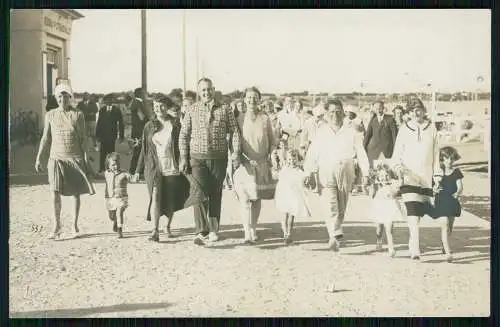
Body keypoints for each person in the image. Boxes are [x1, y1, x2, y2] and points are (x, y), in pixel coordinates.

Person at [135, 94, 206, 242]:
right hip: (154, 167)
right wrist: (137, 170)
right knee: (155, 195)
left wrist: (185, 161)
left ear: (167, 107)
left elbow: (184, 144)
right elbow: (144, 149)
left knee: (170, 197)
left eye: (161, 106)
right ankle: (155, 231)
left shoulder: (176, 125)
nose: (158, 109)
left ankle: (167, 225)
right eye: (155, 106)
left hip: (172, 165)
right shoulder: (149, 126)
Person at [179, 77, 241, 244]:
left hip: (218, 158)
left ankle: (214, 229)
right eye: (203, 90)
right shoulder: (192, 109)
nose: (206, 92)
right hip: (197, 158)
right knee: (199, 193)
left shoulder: (225, 109)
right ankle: (201, 230)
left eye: (209, 89)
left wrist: (235, 153)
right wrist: (184, 157)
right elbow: (184, 135)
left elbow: (234, 131)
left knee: (215, 193)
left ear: (213, 90)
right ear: (199, 92)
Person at [303, 99, 370, 251]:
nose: (335, 115)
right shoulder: (321, 132)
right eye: (332, 112)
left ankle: (334, 234)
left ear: (343, 113)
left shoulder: (351, 131)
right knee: (329, 202)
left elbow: (360, 152)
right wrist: (307, 172)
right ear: (326, 114)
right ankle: (335, 231)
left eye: (338, 112)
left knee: (341, 205)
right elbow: (312, 153)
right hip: (325, 169)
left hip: (346, 169)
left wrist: (366, 172)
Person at [35, 84, 95, 240]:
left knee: (75, 193)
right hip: (56, 158)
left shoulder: (78, 115)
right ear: (56, 98)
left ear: (70, 98)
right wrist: (39, 157)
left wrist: (87, 158)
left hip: (74, 157)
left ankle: (74, 225)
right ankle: (56, 226)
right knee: (54, 192)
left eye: (66, 96)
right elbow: (45, 138)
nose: (62, 99)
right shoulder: (50, 115)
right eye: (59, 97)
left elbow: (83, 139)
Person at [391, 98, 440, 260]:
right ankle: (416, 248)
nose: (415, 113)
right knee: (412, 211)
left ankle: (413, 241)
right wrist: (398, 168)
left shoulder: (431, 129)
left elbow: (436, 154)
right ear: (409, 113)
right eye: (412, 110)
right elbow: (397, 153)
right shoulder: (404, 129)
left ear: (423, 110)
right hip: (409, 176)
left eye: (418, 109)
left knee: (418, 214)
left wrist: (437, 175)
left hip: (426, 177)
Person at [232, 87, 277, 244]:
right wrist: (242, 158)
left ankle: (253, 228)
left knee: (256, 198)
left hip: (261, 163)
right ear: (244, 99)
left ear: (259, 100)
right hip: (244, 165)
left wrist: (271, 154)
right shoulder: (238, 119)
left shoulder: (265, 119)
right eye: (249, 97)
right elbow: (234, 143)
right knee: (244, 199)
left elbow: (272, 141)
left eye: (255, 97)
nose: (252, 100)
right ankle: (246, 232)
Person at [429, 146, 464, 262]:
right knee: (444, 223)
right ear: (442, 159)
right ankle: (448, 252)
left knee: (449, 226)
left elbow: (460, 186)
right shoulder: (438, 172)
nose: (449, 161)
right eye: (446, 158)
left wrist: (458, 193)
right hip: (441, 201)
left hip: (452, 201)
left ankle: (444, 244)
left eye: (451, 159)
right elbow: (433, 187)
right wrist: (435, 188)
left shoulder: (457, 172)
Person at [367, 160, 405, 257]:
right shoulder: (377, 185)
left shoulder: (392, 184)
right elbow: (371, 195)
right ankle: (379, 241)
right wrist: (371, 185)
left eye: (386, 176)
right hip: (380, 207)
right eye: (381, 176)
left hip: (390, 207)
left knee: (389, 228)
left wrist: (400, 175)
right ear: (378, 176)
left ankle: (391, 248)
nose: (384, 178)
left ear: (389, 175)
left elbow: (400, 185)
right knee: (379, 228)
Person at [275, 149, 311, 245]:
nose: (292, 161)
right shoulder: (285, 169)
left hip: (294, 196)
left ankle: (289, 234)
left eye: (294, 159)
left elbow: (304, 179)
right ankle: (285, 233)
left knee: (291, 215)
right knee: (285, 214)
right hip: (285, 195)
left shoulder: (299, 170)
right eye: (290, 159)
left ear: (297, 159)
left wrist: (306, 179)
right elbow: (279, 178)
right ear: (287, 160)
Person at [104, 152, 138, 238]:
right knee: (111, 216)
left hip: (122, 198)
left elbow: (132, 178)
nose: (116, 166)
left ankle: (120, 229)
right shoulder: (107, 173)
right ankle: (115, 221)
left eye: (118, 164)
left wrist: (135, 178)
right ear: (108, 166)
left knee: (119, 212)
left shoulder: (124, 174)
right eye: (113, 165)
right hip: (110, 198)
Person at [363, 100, 398, 168]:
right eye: (376, 109)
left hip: (387, 152)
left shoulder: (390, 119)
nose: (378, 110)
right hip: (374, 153)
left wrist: (396, 152)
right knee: (375, 174)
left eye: (380, 108)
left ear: (383, 108)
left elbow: (394, 137)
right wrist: (363, 150)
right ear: (374, 109)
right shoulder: (373, 120)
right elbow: (367, 136)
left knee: (387, 173)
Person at [96, 94, 124, 173]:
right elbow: (99, 123)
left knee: (111, 152)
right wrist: (97, 135)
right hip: (103, 135)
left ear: (112, 101)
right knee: (102, 152)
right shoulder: (102, 110)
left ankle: (111, 167)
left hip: (112, 135)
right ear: (105, 101)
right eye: (106, 100)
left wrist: (121, 135)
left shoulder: (117, 110)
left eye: (110, 100)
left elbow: (121, 123)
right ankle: (102, 168)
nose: (108, 101)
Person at [129, 87, 148, 176]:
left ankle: (135, 171)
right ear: (140, 94)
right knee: (138, 152)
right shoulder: (138, 102)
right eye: (144, 93)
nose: (145, 94)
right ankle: (134, 171)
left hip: (136, 131)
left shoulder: (135, 102)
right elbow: (142, 117)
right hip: (139, 132)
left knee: (138, 151)